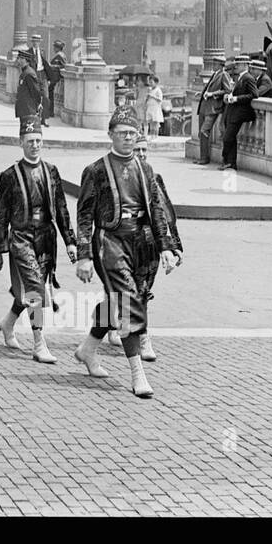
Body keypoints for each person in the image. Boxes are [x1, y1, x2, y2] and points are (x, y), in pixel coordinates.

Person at [72, 105, 180, 398]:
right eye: (122, 133)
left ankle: (87, 349)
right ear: (110, 135)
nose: (128, 138)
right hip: (110, 243)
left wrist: (167, 247)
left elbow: (156, 211)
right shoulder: (95, 170)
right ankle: (137, 374)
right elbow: (84, 216)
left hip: (140, 243)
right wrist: (84, 255)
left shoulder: (145, 169)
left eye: (133, 133)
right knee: (129, 301)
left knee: (117, 301)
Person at [0, 118, 77, 363]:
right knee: (35, 290)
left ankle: (8, 324)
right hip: (20, 238)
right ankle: (39, 344)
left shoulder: (51, 172)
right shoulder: (9, 176)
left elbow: (61, 208)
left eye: (38, 141)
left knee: (30, 291)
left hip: (45, 239)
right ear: (21, 143)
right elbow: (1, 215)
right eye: (30, 141)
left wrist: (70, 241)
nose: (35, 145)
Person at [131, 136, 183, 362]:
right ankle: (142, 337)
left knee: (141, 292)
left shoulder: (155, 178)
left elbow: (166, 214)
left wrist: (175, 246)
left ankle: (106, 332)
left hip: (150, 245)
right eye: (137, 150)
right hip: (125, 246)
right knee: (121, 294)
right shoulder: (120, 181)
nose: (141, 154)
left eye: (144, 150)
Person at [195, 54, 234, 165]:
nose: (213, 65)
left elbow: (227, 91)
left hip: (213, 108)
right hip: (205, 107)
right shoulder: (215, 74)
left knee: (204, 131)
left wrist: (212, 94)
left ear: (221, 65)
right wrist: (203, 93)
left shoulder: (224, 75)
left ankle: (204, 158)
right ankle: (202, 157)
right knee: (201, 133)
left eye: (215, 64)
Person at [220, 53, 256, 171]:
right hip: (233, 111)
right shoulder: (240, 77)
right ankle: (231, 163)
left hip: (240, 112)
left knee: (227, 137)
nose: (236, 66)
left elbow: (254, 94)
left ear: (245, 65)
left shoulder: (248, 78)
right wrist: (231, 95)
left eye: (239, 64)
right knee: (231, 137)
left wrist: (236, 99)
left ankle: (227, 160)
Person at [14, 49, 44, 126]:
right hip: (24, 108)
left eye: (20, 58)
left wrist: (38, 104)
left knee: (29, 132)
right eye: (18, 58)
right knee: (24, 132)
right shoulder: (24, 72)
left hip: (29, 108)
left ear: (26, 60)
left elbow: (35, 90)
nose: (18, 60)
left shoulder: (29, 73)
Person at [47, 40, 69, 118]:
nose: (53, 48)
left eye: (54, 47)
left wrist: (53, 66)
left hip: (56, 78)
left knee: (49, 93)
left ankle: (50, 112)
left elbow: (64, 66)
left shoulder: (60, 55)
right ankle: (50, 111)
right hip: (55, 77)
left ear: (57, 48)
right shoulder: (59, 55)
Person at [143, 74, 165, 138]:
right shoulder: (150, 90)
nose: (150, 84)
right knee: (151, 122)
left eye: (151, 82)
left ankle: (155, 135)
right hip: (150, 108)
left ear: (156, 83)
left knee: (155, 123)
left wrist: (152, 96)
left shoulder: (158, 90)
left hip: (155, 108)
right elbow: (147, 99)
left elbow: (160, 99)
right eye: (149, 82)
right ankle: (151, 135)